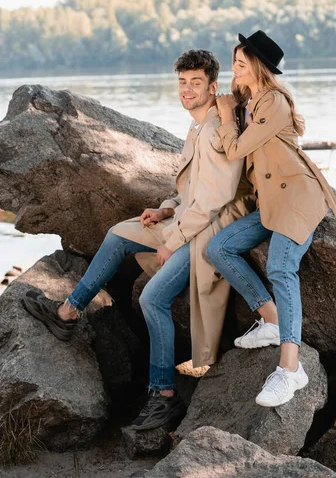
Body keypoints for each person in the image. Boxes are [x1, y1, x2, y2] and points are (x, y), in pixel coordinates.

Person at [22, 49, 253, 431]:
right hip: (181, 220)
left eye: (196, 83)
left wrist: (172, 239)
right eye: (182, 82)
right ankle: (68, 312)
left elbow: (215, 200)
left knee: (152, 298)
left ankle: (164, 395)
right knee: (117, 235)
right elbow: (190, 190)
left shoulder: (215, 131)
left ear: (213, 87)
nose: (187, 90)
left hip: (202, 234)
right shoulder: (197, 127)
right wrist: (164, 209)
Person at [206, 30, 336, 408]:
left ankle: (291, 368)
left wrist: (226, 115)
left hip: (296, 198)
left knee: (280, 267)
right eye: (234, 63)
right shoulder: (249, 102)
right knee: (219, 248)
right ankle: (271, 318)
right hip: (270, 204)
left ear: (258, 67)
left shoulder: (273, 100)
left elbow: (236, 149)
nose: (235, 69)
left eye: (241, 64)